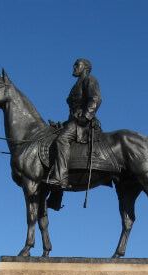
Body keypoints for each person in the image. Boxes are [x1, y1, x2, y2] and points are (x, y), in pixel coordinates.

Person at [48, 59, 102, 189]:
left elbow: (96, 99)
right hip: (73, 121)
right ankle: (56, 197)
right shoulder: (77, 84)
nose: (74, 67)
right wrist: (63, 124)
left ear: (85, 67)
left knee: (62, 140)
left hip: (83, 122)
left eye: (77, 64)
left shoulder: (90, 79)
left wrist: (86, 116)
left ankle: (61, 178)